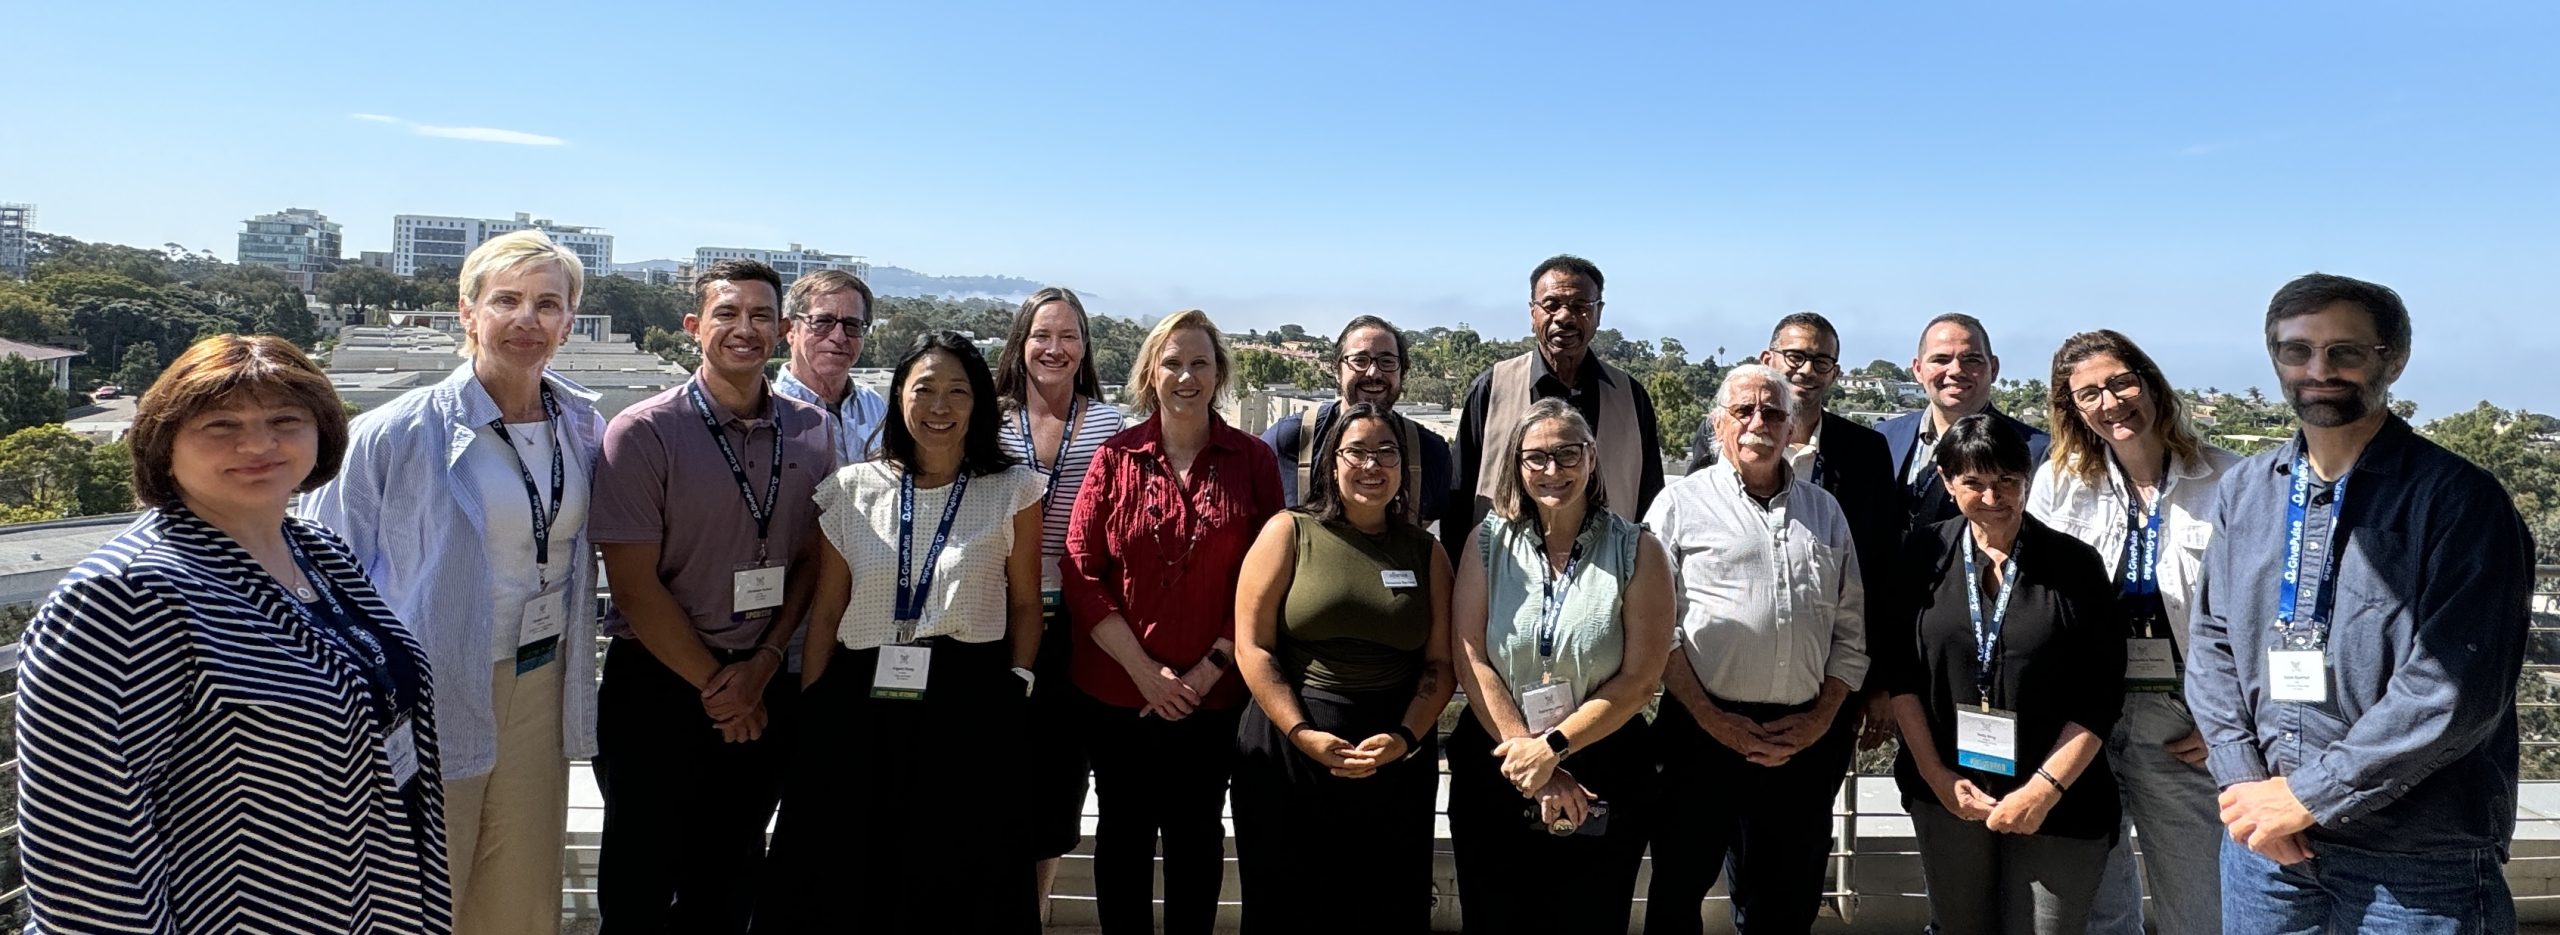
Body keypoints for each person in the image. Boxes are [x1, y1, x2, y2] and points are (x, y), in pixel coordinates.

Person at [17, 335, 451, 933]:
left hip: (373, 897)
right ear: (163, 444)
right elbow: (86, 846)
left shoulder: (317, 550)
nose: (258, 444)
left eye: (285, 420)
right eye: (221, 425)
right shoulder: (126, 595)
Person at [2189, 273, 2533, 934]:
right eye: (2297, 351)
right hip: (2267, 852)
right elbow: (2212, 644)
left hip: (2415, 859)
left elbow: (2456, 689)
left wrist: (2307, 795)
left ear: (2392, 359)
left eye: (2344, 351)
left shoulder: (2460, 500)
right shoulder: (2246, 491)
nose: (2319, 369)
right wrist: (2244, 788)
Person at [306, 231, 603, 935]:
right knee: (420, 883)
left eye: (547, 303)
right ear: (468, 314)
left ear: (568, 322)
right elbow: (321, 570)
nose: (527, 318)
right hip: (429, 683)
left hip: (541, 675)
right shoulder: (393, 433)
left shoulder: (583, 427)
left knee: (521, 882)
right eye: (507, 300)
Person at [758, 332, 1044, 933]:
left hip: (968, 697)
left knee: (959, 868)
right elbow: (828, 612)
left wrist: (1015, 685)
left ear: (979, 404)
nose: (940, 407)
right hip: (861, 698)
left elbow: (1024, 605)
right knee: (852, 869)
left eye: (957, 392)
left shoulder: (1012, 490)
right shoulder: (853, 488)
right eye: (925, 390)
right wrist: (813, 703)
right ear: (899, 397)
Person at [588, 259, 832, 934]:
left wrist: (760, 667)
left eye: (760, 316)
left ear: (783, 330)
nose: (744, 329)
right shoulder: (641, 432)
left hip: (763, 680)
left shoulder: (814, 432)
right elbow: (635, 588)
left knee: (729, 886)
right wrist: (719, 687)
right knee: (638, 891)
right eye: (727, 313)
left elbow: (813, 560)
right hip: (659, 688)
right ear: (695, 326)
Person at [1063, 308, 1284, 935]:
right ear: (1150, 373)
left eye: (1200, 363)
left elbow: (1268, 576)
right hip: (1117, 695)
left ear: (1219, 375)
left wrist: (1208, 670)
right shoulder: (1115, 456)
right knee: (1123, 833)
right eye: (1173, 363)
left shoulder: (1254, 461)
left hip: (1214, 700)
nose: (1186, 376)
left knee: (1196, 836)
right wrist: (1144, 673)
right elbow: (1080, 569)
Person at [2025, 330, 2239, 935]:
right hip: (2088, 718)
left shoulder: (2229, 482)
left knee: (2199, 907)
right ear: (2073, 410)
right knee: (2096, 905)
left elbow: (2257, 615)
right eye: (2089, 393)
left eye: (2120, 382)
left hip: (2182, 721)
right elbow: (2040, 600)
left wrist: (2230, 719)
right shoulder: (2059, 484)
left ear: (2148, 381)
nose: (2111, 403)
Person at [1878, 413, 2125, 934]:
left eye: (2007, 482)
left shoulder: (2075, 565)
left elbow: (2100, 696)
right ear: (1947, 482)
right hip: (1950, 793)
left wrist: (2042, 791)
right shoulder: (1921, 553)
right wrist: (1937, 777)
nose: (1993, 497)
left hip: (2060, 798)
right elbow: (1901, 677)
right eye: (1973, 483)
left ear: (2026, 481)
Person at [1644, 365, 1868, 935]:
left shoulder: (1826, 512)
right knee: (1677, 895)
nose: (1757, 423)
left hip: (1803, 742)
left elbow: (1850, 630)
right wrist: (1713, 719)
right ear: (1719, 424)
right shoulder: (1677, 505)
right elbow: (1654, 630)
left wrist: (1820, 720)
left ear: (1793, 428)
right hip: (1699, 732)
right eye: (1743, 411)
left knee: (1784, 907)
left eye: (1772, 412)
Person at [1448, 398, 1674, 934]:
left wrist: (1552, 750)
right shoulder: (1486, 541)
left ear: (1592, 459)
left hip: (1604, 765)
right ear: (1517, 466)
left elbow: (1642, 678)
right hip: (1499, 761)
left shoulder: (1638, 550)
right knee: (1494, 919)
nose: (1553, 471)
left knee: (1589, 919)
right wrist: (1533, 765)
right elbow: (1469, 653)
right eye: (1537, 458)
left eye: (1567, 454)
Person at [1232, 402, 1456, 933]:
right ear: (1332, 461)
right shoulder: (1287, 532)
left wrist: (1404, 738)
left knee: (1384, 909)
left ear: (1404, 469)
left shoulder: (1427, 552)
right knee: (1285, 908)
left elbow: (1441, 663)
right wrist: (1302, 732)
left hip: (1393, 758)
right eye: (1356, 451)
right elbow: (1253, 648)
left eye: (1387, 453)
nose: (1372, 465)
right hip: (1289, 750)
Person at [1688, 312, 1907, 751]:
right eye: (1794, 356)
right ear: (1768, 357)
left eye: (1820, 361)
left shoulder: (1866, 451)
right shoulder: (1720, 437)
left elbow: (1882, 569)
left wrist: (1879, 683)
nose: (1806, 369)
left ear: (1835, 373)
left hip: (1828, 688)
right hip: (1716, 693)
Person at [989, 286, 1127, 916]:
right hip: (994, 613)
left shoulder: (1109, 423)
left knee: (1058, 777)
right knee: (993, 768)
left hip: (1075, 621)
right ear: (1022, 343)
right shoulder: (985, 416)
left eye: (1069, 335)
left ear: (1085, 347)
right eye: (1042, 335)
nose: (1055, 348)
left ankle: (1035, 910)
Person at [1448, 254, 1666, 559]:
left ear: (1599, 313)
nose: (1565, 317)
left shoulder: (1631, 397)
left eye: (1580, 306)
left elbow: (1652, 502)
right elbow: (1458, 499)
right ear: (1532, 313)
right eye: (1551, 305)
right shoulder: (1491, 389)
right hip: (1504, 581)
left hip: (1610, 579)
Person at [1261, 315, 1456, 530]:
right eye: (1360, 361)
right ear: (1336, 370)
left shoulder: (1431, 453)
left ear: (1403, 372)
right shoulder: (1289, 440)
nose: (1373, 372)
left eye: (1387, 361)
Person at [1876, 313, 2051, 528]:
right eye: (1940, 359)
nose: (1956, 370)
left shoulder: (2038, 452)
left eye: (1971, 360)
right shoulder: (1883, 438)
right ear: (1918, 370)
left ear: (1994, 369)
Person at [772, 268, 889, 465]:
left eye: (852, 325)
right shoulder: (765, 411)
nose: (838, 337)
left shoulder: (874, 406)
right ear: (790, 330)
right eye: (822, 321)